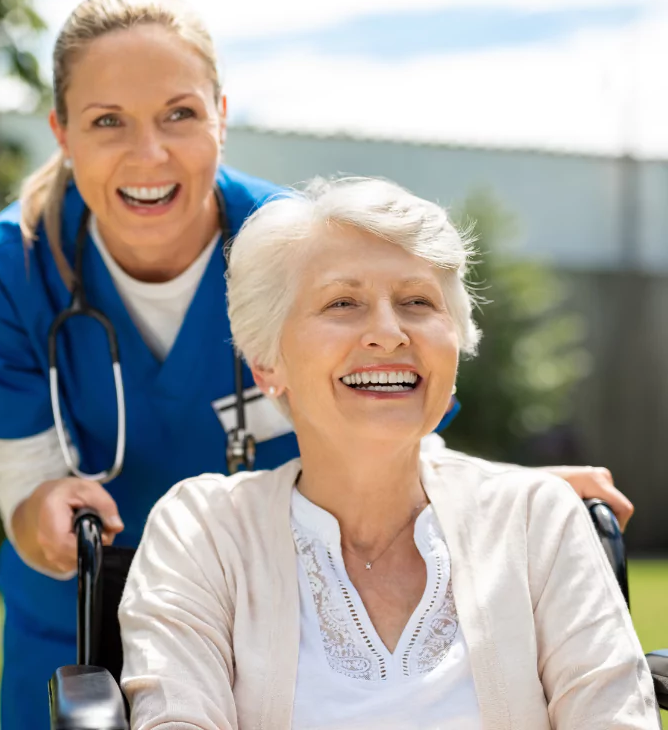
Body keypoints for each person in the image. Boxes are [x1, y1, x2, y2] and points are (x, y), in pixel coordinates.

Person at [0, 0, 635, 730]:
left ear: (222, 118)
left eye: (180, 113)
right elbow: (23, 475)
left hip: (277, 600)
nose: (150, 153)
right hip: (79, 609)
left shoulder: (300, 253)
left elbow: (391, 404)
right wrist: (42, 514)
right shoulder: (4, 275)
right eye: (107, 121)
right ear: (63, 133)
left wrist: (506, 506)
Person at [119, 177, 657, 730]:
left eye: (417, 302)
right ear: (266, 364)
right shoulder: (201, 532)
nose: (388, 332)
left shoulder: (534, 517)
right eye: (342, 302)